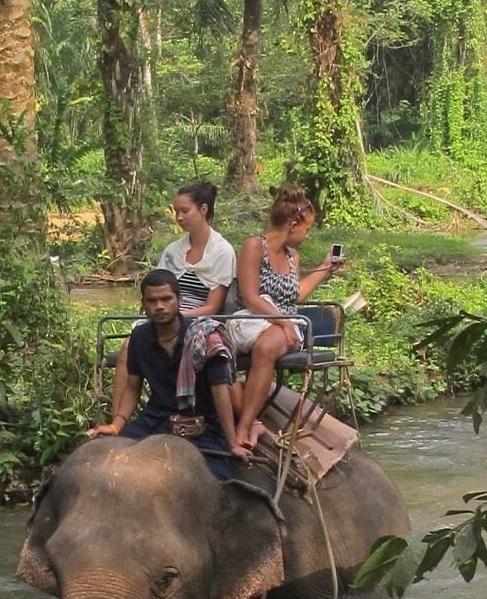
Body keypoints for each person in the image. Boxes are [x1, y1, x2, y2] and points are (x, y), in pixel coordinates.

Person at [87, 269, 247, 479]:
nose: (159, 306)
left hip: (202, 424)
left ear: (179, 300)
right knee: (107, 466)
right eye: (152, 301)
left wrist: (233, 443)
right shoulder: (140, 337)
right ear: (143, 304)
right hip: (156, 420)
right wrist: (116, 425)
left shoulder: (204, 337)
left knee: (215, 480)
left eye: (166, 299)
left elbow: (220, 392)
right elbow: (132, 386)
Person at [228, 184, 344, 455]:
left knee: (266, 347)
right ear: (293, 224)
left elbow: (297, 295)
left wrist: (325, 268)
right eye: (307, 228)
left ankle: (244, 426)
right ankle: (249, 418)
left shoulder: (293, 256)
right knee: (221, 351)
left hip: (283, 326)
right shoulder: (254, 247)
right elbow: (250, 296)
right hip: (255, 318)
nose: (307, 235)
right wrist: (283, 321)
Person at [157, 182, 236, 409]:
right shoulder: (173, 251)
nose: (179, 217)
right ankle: (118, 421)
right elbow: (157, 289)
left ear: (203, 209)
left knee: (199, 345)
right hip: (167, 316)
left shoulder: (221, 252)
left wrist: (178, 316)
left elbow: (212, 307)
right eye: (176, 212)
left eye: (184, 211)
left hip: (202, 320)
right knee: (132, 344)